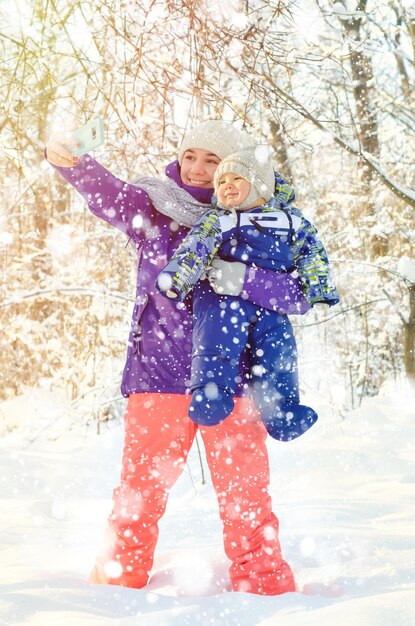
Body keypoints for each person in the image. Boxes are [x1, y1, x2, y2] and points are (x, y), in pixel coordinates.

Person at [46, 120, 311, 595]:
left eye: (213, 161)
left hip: (233, 380)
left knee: (246, 499)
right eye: (191, 155)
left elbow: (302, 291)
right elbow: (106, 193)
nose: (198, 168)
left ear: (234, 168)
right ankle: (114, 587)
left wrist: (243, 280)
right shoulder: (153, 206)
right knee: (139, 496)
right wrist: (73, 161)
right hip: (158, 375)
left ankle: (266, 589)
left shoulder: (265, 221)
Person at [157, 148, 339, 440]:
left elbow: (312, 252)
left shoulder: (291, 222)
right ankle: (211, 395)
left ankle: (282, 412)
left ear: (261, 186)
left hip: (270, 308)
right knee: (216, 343)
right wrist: (176, 278)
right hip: (222, 301)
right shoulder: (218, 220)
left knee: (277, 354)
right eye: (221, 181)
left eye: (236, 178)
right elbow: (195, 248)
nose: (226, 185)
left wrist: (319, 287)